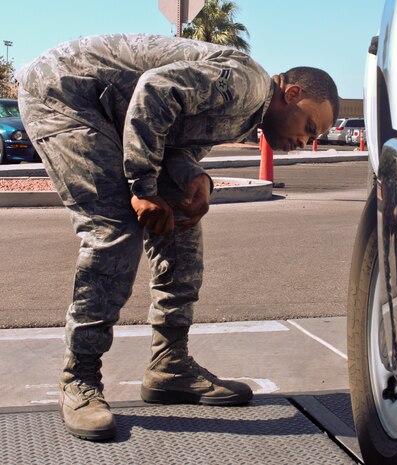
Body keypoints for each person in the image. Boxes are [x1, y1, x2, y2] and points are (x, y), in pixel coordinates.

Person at [17, 33, 339, 441]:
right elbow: (154, 90)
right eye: (309, 127)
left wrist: (194, 178)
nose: (305, 142)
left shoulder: (247, 113)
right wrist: (143, 189)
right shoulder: (248, 84)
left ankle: (170, 366)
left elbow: (169, 137)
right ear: (291, 94)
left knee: (182, 224)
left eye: (314, 139)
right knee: (114, 229)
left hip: (112, 111)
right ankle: (79, 378)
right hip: (64, 93)